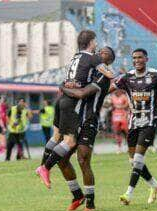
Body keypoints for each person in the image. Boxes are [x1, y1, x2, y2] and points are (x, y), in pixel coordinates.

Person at [35, 30, 114, 189]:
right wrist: (108, 72)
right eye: (96, 43)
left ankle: (44, 165)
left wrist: (67, 86)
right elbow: (109, 74)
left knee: (56, 136)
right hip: (72, 102)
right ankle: (45, 167)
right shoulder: (94, 59)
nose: (98, 48)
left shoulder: (74, 57)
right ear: (91, 42)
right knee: (69, 141)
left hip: (61, 100)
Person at [110, 48, 157, 205]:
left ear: (146, 59)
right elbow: (111, 86)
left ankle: (128, 194)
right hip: (133, 122)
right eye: (134, 58)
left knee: (138, 158)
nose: (137, 60)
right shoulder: (127, 77)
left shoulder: (156, 74)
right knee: (133, 161)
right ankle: (154, 185)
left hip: (150, 121)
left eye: (140, 57)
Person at [57, 46, 115, 211]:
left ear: (109, 60)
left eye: (104, 53)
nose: (99, 53)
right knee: (62, 158)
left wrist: (62, 87)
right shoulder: (88, 72)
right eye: (99, 51)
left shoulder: (103, 77)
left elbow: (81, 93)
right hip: (74, 119)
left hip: (89, 120)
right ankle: (77, 195)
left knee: (82, 159)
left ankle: (90, 202)